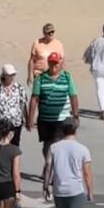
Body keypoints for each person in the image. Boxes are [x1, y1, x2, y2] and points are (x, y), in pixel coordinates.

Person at [28, 53, 79, 197]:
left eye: (56, 63)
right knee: (46, 146)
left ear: (60, 64)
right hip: (45, 119)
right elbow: (34, 99)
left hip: (61, 118)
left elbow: (73, 96)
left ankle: (53, 170)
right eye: (51, 63)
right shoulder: (41, 79)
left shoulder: (67, 78)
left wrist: (76, 115)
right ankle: (48, 164)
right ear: (48, 63)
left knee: (56, 145)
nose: (54, 66)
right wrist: (30, 118)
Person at [46, 123, 93, 208]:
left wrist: (46, 186)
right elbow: (86, 173)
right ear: (75, 131)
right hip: (75, 189)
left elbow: (48, 167)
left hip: (59, 188)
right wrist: (90, 190)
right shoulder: (83, 149)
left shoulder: (54, 147)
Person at [0, 64, 26, 147]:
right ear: (4, 75)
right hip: (0, 123)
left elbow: (23, 105)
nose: (12, 77)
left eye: (13, 75)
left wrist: (26, 120)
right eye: (10, 75)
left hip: (15, 123)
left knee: (14, 147)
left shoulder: (19, 88)